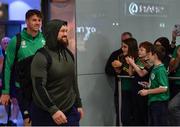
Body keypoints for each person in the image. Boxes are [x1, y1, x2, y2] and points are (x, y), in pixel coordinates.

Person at [30, 19, 84, 126]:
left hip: (70, 111)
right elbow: (39, 87)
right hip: (46, 114)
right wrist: (53, 110)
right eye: (62, 31)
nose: (65, 34)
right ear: (52, 33)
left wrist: (78, 103)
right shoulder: (41, 56)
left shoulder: (68, 54)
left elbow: (73, 81)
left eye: (66, 31)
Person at [0, 9, 45, 126]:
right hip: (24, 90)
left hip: (43, 88)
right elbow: (7, 67)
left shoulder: (45, 39)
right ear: (27, 21)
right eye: (34, 20)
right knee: (28, 121)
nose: (37, 23)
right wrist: (5, 92)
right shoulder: (16, 41)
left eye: (39, 20)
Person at [105, 32, 132, 126]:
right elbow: (108, 70)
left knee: (133, 116)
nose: (124, 45)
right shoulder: (116, 54)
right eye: (123, 42)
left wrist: (122, 67)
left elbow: (134, 72)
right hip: (120, 90)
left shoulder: (137, 56)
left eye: (127, 42)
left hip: (134, 91)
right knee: (121, 116)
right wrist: (117, 71)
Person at [138, 45, 169, 126]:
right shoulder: (155, 68)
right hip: (153, 101)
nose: (147, 57)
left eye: (149, 54)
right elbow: (158, 85)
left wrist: (147, 91)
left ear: (154, 55)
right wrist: (149, 85)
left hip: (159, 103)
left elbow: (164, 88)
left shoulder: (161, 70)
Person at [127, 41, 153, 125]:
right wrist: (130, 64)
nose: (139, 52)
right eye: (139, 50)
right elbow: (130, 73)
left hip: (144, 90)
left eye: (142, 50)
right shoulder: (138, 60)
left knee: (143, 113)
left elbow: (142, 74)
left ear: (148, 52)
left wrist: (133, 63)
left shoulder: (150, 62)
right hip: (135, 88)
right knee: (135, 112)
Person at [0, 37, 19, 126]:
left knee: (15, 100)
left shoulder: (16, 53)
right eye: (4, 43)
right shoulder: (1, 55)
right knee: (5, 101)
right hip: (3, 80)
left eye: (8, 42)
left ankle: (14, 120)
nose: (6, 44)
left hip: (14, 80)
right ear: (1, 45)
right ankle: (9, 117)